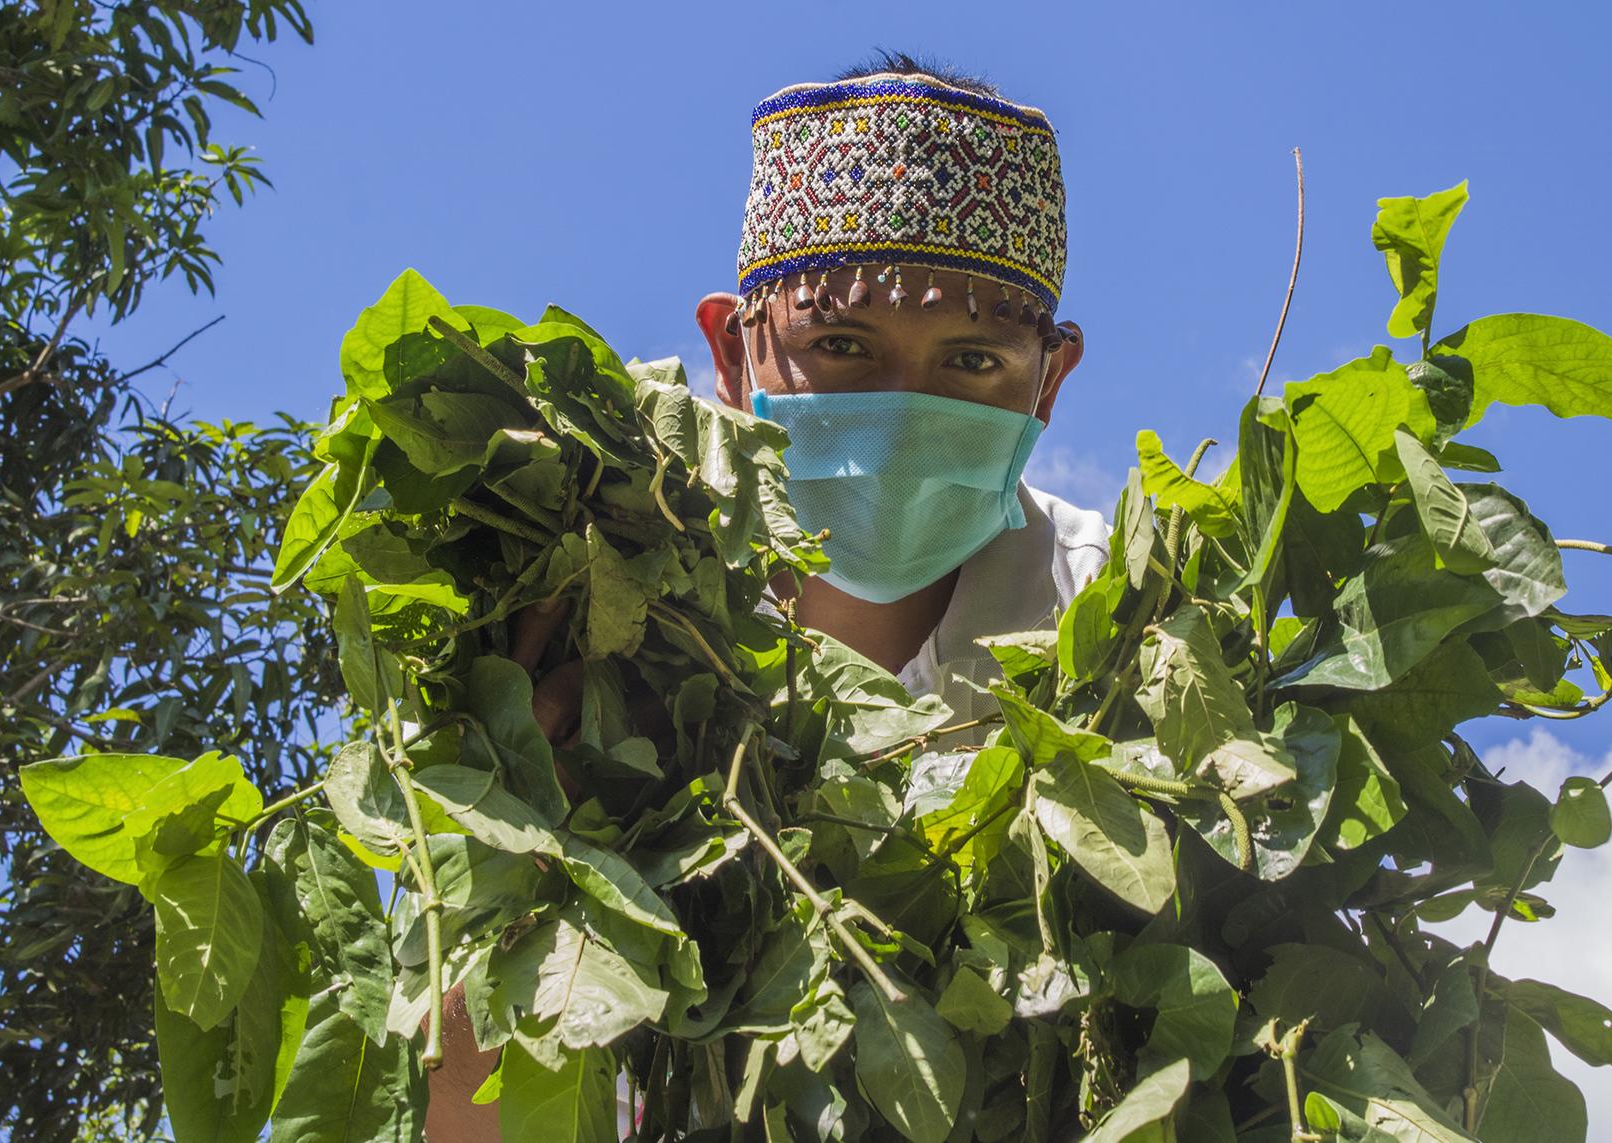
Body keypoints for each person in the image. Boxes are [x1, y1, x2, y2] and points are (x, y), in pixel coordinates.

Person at [425, 52, 1109, 1140]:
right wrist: (518, 854)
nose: (902, 414)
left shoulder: (1113, 620)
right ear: (731, 353)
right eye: (840, 344)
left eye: (972, 360)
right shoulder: (590, 629)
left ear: (1049, 379)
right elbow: (462, 1112)